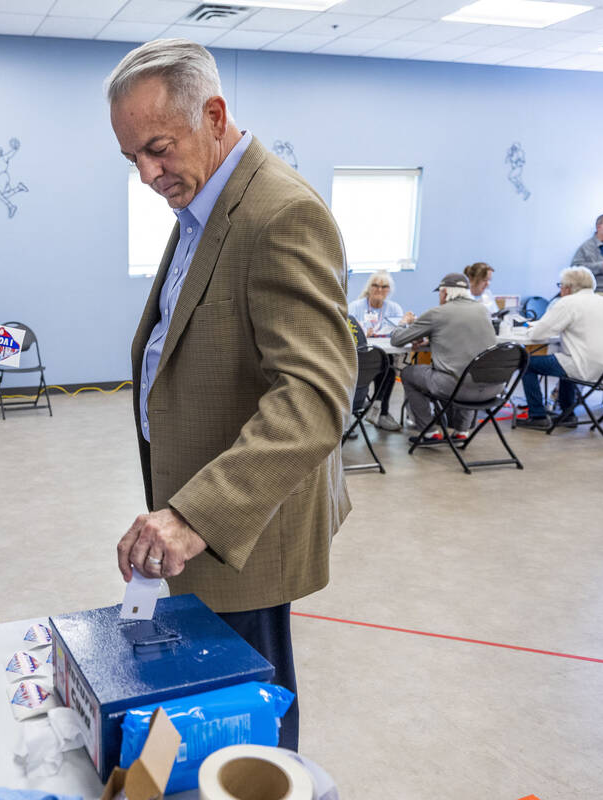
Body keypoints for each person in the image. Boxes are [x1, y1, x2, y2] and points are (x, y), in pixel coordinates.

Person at [107, 39, 356, 752]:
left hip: (241, 521)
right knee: (215, 699)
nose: (149, 174)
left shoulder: (279, 214)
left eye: (158, 149)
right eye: (133, 160)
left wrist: (195, 514)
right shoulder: (205, 201)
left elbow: (313, 397)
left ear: (214, 114)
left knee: (251, 717)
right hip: (198, 496)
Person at [390, 272, 498, 442]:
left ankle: (429, 431)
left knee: (408, 373)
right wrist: (430, 343)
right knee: (469, 366)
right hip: (493, 389)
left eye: (439, 293)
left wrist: (403, 322)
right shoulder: (483, 311)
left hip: (456, 388)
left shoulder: (438, 313)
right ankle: (462, 431)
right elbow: (461, 344)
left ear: (445, 293)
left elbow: (397, 339)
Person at [515, 267, 603, 430]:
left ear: (568, 287)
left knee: (526, 363)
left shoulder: (567, 303)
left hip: (585, 366)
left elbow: (538, 333)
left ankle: (537, 416)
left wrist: (530, 328)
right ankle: (567, 414)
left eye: (561, 285)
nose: (560, 289)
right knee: (565, 359)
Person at [346, 270, 413, 432]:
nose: (379, 290)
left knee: (389, 370)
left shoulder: (394, 308)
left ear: (389, 290)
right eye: (375, 285)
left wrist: (404, 323)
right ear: (369, 287)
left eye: (384, 287)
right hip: (358, 358)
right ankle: (349, 418)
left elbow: (398, 333)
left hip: (383, 356)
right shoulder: (355, 307)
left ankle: (380, 412)